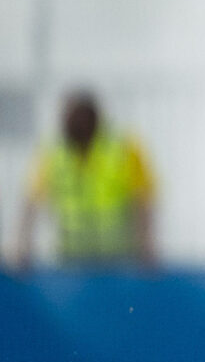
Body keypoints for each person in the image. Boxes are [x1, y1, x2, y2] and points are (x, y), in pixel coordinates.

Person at [13, 90, 156, 269]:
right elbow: (31, 201)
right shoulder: (53, 154)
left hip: (117, 257)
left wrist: (146, 244)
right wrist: (22, 244)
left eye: (84, 118)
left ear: (96, 119)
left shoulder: (124, 149)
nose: (80, 124)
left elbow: (142, 200)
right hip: (69, 258)